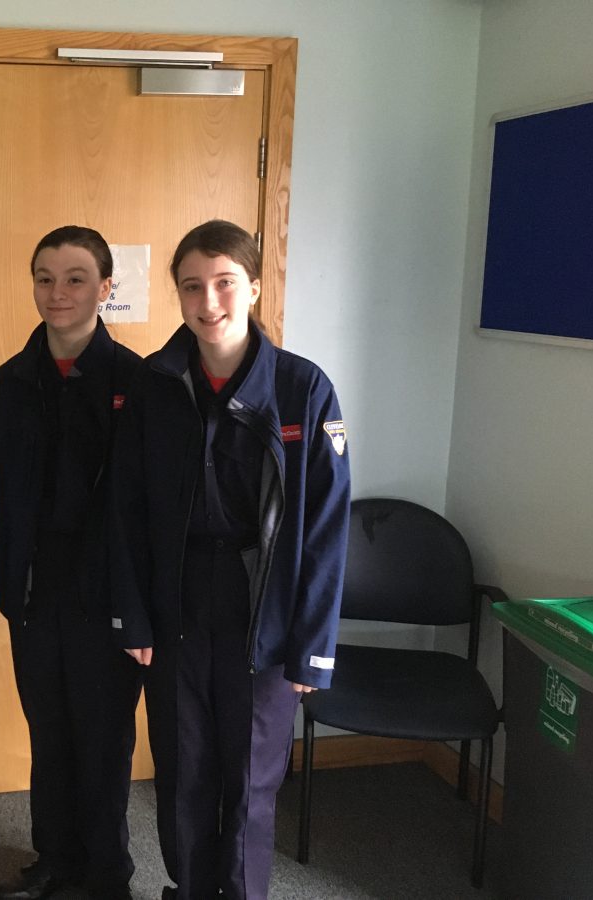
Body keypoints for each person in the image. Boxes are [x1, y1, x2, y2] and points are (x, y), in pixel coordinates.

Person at [109, 220, 351, 900]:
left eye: (223, 282)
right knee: (185, 766)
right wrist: (134, 618)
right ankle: (191, 889)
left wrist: (314, 647)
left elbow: (326, 530)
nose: (208, 301)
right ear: (178, 295)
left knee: (250, 775)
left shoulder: (304, 390)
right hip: (176, 597)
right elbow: (124, 511)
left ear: (252, 286)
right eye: (192, 286)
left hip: (263, 605)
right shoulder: (153, 386)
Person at [0, 226, 144, 900]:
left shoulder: (139, 382)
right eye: (45, 277)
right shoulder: (7, 384)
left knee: (103, 742)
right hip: (34, 588)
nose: (59, 292)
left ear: (106, 288)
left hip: (108, 592)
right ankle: (53, 859)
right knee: (49, 734)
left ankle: (107, 871)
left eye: (76, 277)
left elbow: (145, 507)